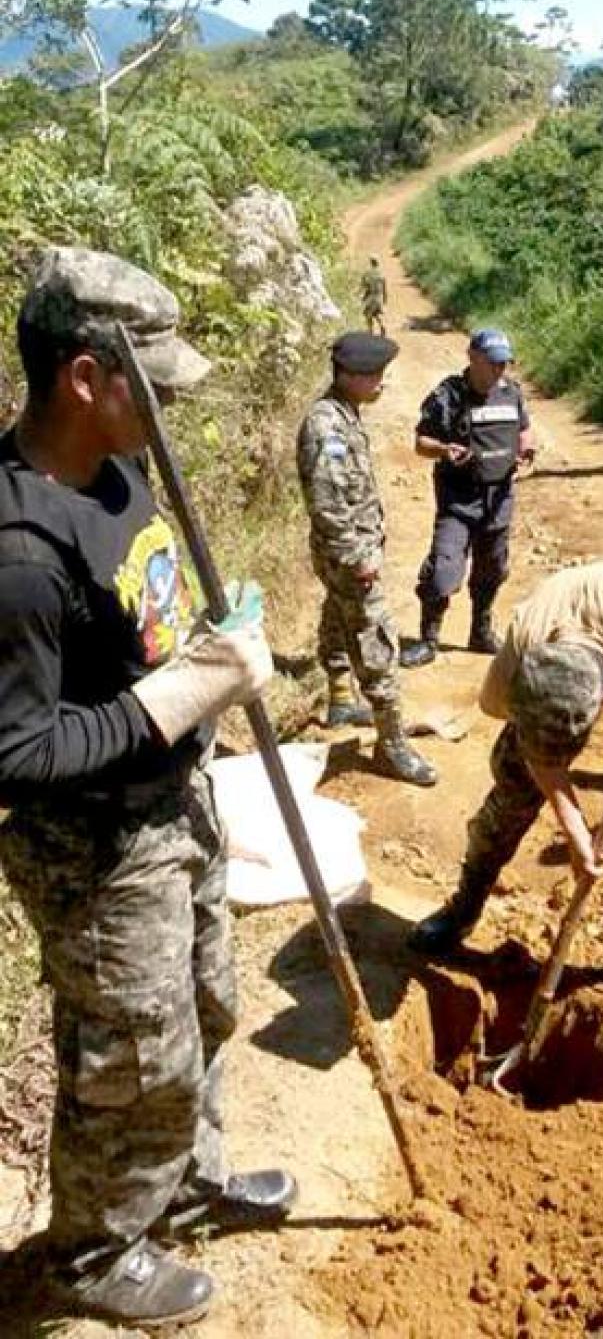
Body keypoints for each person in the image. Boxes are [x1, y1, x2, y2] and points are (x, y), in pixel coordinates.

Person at [0, 247, 297, 1328]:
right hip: (95, 850)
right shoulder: (20, 549)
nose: (170, 398)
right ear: (85, 378)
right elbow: (14, 754)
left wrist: (214, 651)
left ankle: (183, 1183)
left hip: (176, 805)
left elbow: (146, 619)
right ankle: (92, 1250)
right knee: (129, 1055)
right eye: (151, 378)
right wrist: (178, 698)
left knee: (206, 1009)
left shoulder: (120, 472)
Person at [410, 499, 603, 1027]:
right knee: (511, 794)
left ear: (602, 701)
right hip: (566, 653)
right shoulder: (508, 678)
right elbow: (540, 759)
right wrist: (576, 832)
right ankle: (465, 904)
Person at [296, 331, 436, 785]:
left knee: (337, 619)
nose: (381, 383)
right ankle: (392, 745)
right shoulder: (327, 426)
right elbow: (329, 503)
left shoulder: (344, 413)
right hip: (347, 555)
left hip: (344, 554)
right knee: (376, 641)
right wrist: (359, 556)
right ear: (348, 376)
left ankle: (340, 699)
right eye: (374, 375)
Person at [401, 329, 535, 668]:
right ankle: (428, 639)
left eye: (504, 363)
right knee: (443, 571)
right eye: (493, 363)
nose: (500, 370)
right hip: (458, 501)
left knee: (492, 568)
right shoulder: (448, 396)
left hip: (498, 499)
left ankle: (480, 631)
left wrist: (526, 450)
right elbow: (421, 443)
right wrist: (445, 450)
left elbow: (524, 428)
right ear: (473, 358)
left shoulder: (511, 393)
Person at [360, 257, 388, 337]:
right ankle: (382, 326)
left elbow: (363, 285)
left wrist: (362, 296)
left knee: (367, 314)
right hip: (379, 297)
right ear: (377, 263)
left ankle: (370, 331)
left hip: (370, 297)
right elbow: (385, 289)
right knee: (376, 314)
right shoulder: (382, 274)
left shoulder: (367, 273)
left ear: (371, 262)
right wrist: (385, 300)